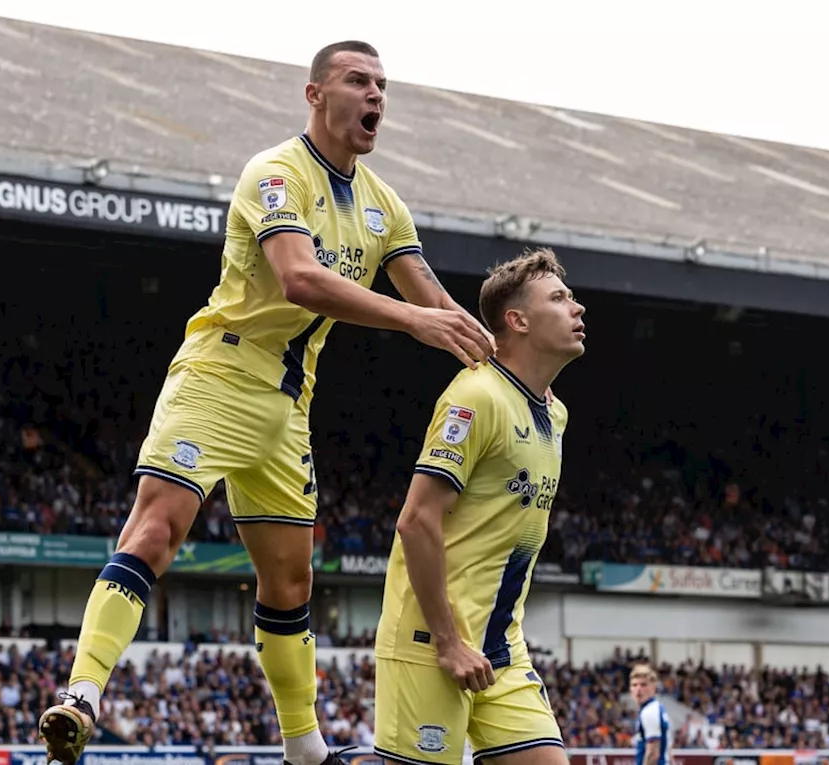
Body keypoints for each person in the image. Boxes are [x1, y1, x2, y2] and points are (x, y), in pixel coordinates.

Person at [38, 40, 494, 765]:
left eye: (381, 84)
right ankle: (83, 695)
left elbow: (432, 299)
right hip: (219, 377)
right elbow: (301, 280)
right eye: (357, 80)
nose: (375, 94)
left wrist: (501, 366)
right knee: (158, 529)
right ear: (316, 95)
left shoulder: (383, 206)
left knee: (290, 580)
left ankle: (303, 747)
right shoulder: (275, 173)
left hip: (288, 409)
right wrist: (415, 321)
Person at [374, 248, 586, 765]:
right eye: (559, 298)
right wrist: (448, 642)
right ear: (517, 321)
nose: (577, 308)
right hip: (431, 643)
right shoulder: (477, 396)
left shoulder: (554, 413)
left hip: (501, 650)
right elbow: (416, 520)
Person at [630, 664, 672, 765]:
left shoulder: (650, 711)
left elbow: (653, 754)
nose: (638, 689)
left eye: (643, 685)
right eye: (634, 685)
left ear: (653, 687)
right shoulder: (656, 708)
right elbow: (668, 750)